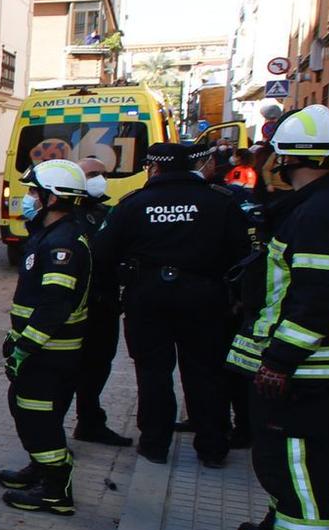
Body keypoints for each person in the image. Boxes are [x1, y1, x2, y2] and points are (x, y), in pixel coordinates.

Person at [227, 105, 329, 530]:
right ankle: (281, 525)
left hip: (302, 367)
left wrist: (281, 358)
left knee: (293, 461)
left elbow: (317, 297)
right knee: (281, 456)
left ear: (289, 158)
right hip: (303, 365)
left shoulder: (322, 213)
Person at [95, 142, 254, 467]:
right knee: (206, 372)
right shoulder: (218, 202)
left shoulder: (133, 204)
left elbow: (102, 253)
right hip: (206, 299)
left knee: (153, 373)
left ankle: (154, 444)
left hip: (148, 298)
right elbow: (245, 254)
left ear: (154, 168)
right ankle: (212, 446)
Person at [0, 160, 94, 516]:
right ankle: (40, 468)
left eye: (35, 192)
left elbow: (55, 306)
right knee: (26, 410)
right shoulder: (50, 234)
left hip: (51, 351)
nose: (29, 198)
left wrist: (25, 347)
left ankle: (55, 489)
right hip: (41, 347)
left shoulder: (63, 245)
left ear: (54, 198)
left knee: (39, 416)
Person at [72, 157, 130, 447]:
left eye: (102, 174)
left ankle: (90, 420)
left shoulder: (109, 213)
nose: (100, 179)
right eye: (93, 174)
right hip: (78, 308)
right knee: (70, 370)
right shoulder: (68, 216)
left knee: (98, 365)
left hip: (105, 304)